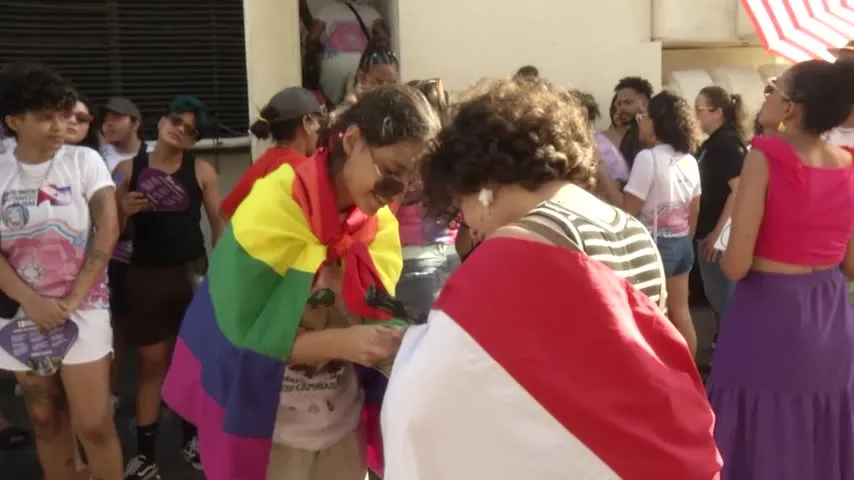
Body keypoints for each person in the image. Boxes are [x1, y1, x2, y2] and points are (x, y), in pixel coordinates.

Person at [381, 77, 721, 480]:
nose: (468, 222)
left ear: (483, 185)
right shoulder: (629, 229)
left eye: (460, 205)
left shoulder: (516, 247)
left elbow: (441, 386)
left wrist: (407, 347)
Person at [162, 84, 440, 480]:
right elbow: (238, 337)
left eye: (410, 184)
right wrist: (338, 344)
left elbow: (375, 315)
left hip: (342, 429)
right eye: (392, 173)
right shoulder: (273, 206)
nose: (395, 194)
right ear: (354, 139)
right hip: (267, 431)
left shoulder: (379, 226)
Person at [707, 59, 854, 480]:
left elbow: (735, 266)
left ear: (791, 107)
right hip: (830, 315)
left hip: (769, 314)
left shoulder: (765, 155)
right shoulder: (848, 164)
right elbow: (851, 263)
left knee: (755, 426)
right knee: (819, 428)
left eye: (773, 88)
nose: (766, 95)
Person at [0, 63, 122, 479]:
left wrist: (71, 300)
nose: (59, 126)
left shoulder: (84, 161)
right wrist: (30, 300)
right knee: (46, 418)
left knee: (93, 422)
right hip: (21, 312)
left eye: (63, 114)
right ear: (14, 120)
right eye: (45, 117)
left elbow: (107, 229)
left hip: (83, 307)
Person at [113, 96, 226, 478]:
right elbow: (107, 231)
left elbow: (219, 224)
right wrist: (121, 211)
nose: (180, 129)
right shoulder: (127, 170)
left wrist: (224, 276)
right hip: (145, 277)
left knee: (194, 364)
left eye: (190, 129)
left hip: (192, 276)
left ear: (193, 141)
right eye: (176, 121)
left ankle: (191, 440)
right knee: (151, 366)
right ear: (161, 122)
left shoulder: (202, 170)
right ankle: (145, 454)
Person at [600, 91, 702, 356]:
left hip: (655, 246)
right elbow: (694, 209)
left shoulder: (648, 158)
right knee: (681, 313)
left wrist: (604, 177)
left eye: (643, 117)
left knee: (651, 318)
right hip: (681, 245)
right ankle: (689, 376)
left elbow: (627, 211)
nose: (639, 123)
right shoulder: (688, 159)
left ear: (657, 122)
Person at [394, 78, 459, 313]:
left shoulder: (409, 154)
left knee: (412, 341)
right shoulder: (452, 152)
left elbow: (391, 202)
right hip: (451, 257)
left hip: (412, 262)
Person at [220, 87, 324, 219]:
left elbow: (225, 212)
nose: (321, 130)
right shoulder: (301, 168)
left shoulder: (265, 160)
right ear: (306, 123)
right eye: (319, 122)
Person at [693, 86, 748, 319]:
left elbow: (738, 191)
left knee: (725, 298)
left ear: (717, 112)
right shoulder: (713, 142)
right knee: (717, 296)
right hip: (709, 231)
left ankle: (736, 347)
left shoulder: (726, 142)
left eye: (699, 109)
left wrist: (719, 234)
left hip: (717, 236)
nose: (696, 116)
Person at [305, 0, 389, 105]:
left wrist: (314, 55)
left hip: (333, 62)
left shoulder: (327, 10)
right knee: (357, 101)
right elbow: (383, 37)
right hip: (360, 61)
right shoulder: (370, 11)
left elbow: (313, 38)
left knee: (332, 103)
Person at [100, 97, 151, 172]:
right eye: (105, 120)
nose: (109, 123)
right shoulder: (97, 155)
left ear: (135, 124)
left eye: (116, 118)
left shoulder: (151, 158)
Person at [613, 76, 654, 165]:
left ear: (643, 103)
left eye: (628, 102)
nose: (622, 108)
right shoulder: (630, 131)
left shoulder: (654, 131)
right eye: (619, 104)